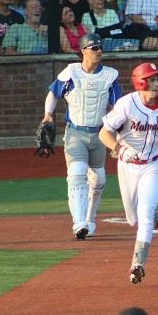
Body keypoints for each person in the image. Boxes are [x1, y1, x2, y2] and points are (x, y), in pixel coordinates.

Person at [98, 62, 158, 284]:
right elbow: (104, 134)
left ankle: (137, 263)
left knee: (144, 213)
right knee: (133, 219)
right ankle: (152, 214)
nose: (156, 84)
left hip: (154, 165)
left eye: (157, 79)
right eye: (151, 80)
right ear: (140, 83)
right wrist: (119, 149)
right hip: (128, 165)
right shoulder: (127, 104)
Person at [41, 32, 122, 240]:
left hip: (100, 134)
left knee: (98, 178)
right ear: (83, 51)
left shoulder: (110, 76)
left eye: (100, 48)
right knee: (77, 174)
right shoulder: (71, 72)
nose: (99, 51)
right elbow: (53, 94)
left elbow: (119, 107)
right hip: (75, 132)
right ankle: (79, 223)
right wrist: (48, 114)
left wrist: (119, 136)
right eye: (94, 48)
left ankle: (89, 219)